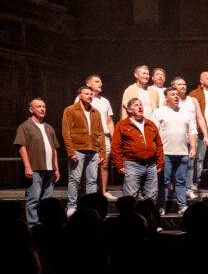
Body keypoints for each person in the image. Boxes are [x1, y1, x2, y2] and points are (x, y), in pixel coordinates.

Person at [14, 98, 60, 226]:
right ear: (31, 109)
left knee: (47, 200)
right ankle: (33, 225)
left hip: (49, 169)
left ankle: (45, 224)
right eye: (39, 106)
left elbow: (54, 149)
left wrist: (56, 168)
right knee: (33, 199)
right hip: (35, 168)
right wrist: (27, 167)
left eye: (44, 106)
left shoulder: (49, 127)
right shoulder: (25, 126)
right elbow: (21, 147)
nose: (42, 109)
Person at [153, 88, 197, 213]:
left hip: (182, 153)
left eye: (177, 94)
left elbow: (192, 131)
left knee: (181, 181)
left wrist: (193, 147)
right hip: (165, 153)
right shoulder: (158, 112)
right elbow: (154, 133)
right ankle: (162, 206)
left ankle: (182, 206)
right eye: (173, 94)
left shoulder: (186, 113)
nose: (176, 96)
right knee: (164, 181)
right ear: (166, 98)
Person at [62, 85, 104, 215]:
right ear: (80, 95)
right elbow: (66, 132)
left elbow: (100, 132)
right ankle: (72, 206)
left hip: (93, 150)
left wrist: (102, 151)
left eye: (91, 94)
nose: (90, 96)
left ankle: (90, 206)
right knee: (75, 179)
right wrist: (71, 151)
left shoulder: (95, 112)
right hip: (78, 149)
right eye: (86, 94)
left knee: (92, 180)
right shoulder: (70, 110)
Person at [111, 98, 163, 202]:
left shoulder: (151, 124)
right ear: (129, 110)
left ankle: (149, 217)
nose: (140, 107)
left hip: (151, 165)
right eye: (136, 105)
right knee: (130, 197)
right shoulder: (122, 125)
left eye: (141, 105)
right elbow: (116, 146)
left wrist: (160, 163)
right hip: (132, 165)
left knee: (151, 197)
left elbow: (159, 145)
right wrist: (119, 165)